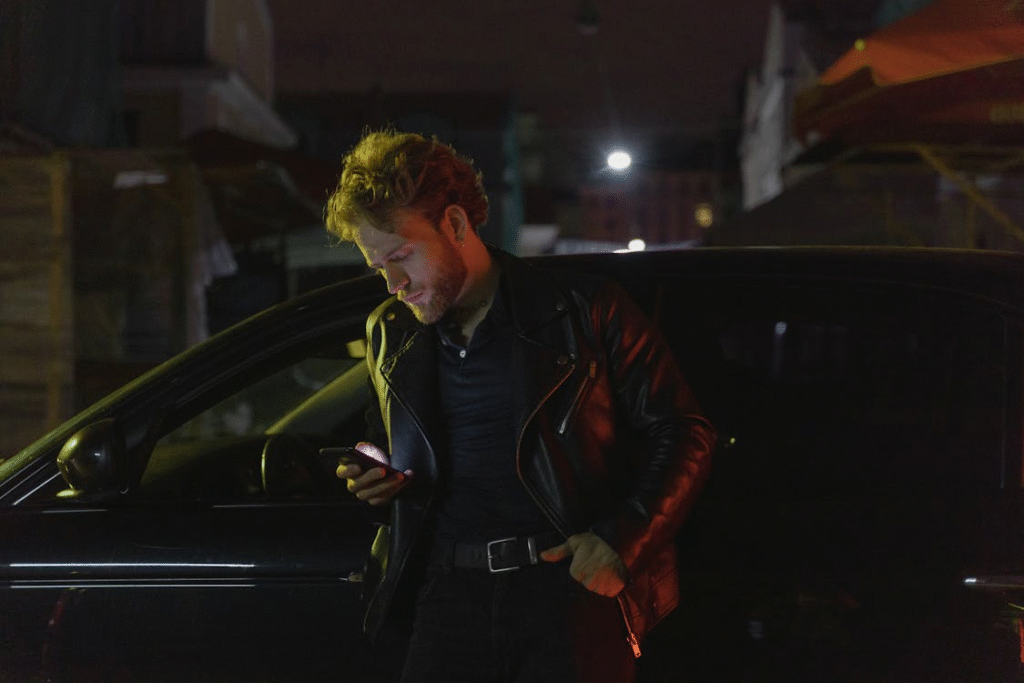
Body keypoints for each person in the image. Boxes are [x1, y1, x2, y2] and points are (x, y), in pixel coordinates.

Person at [324, 129, 716, 683]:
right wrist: (376, 482)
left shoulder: (583, 311)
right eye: (377, 266)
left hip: (565, 592)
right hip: (446, 596)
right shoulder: (391, 334)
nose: (392, 284)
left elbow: (682, 431)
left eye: (402, 256)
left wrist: (621, 542)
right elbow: (389, 442)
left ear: (456, 225)